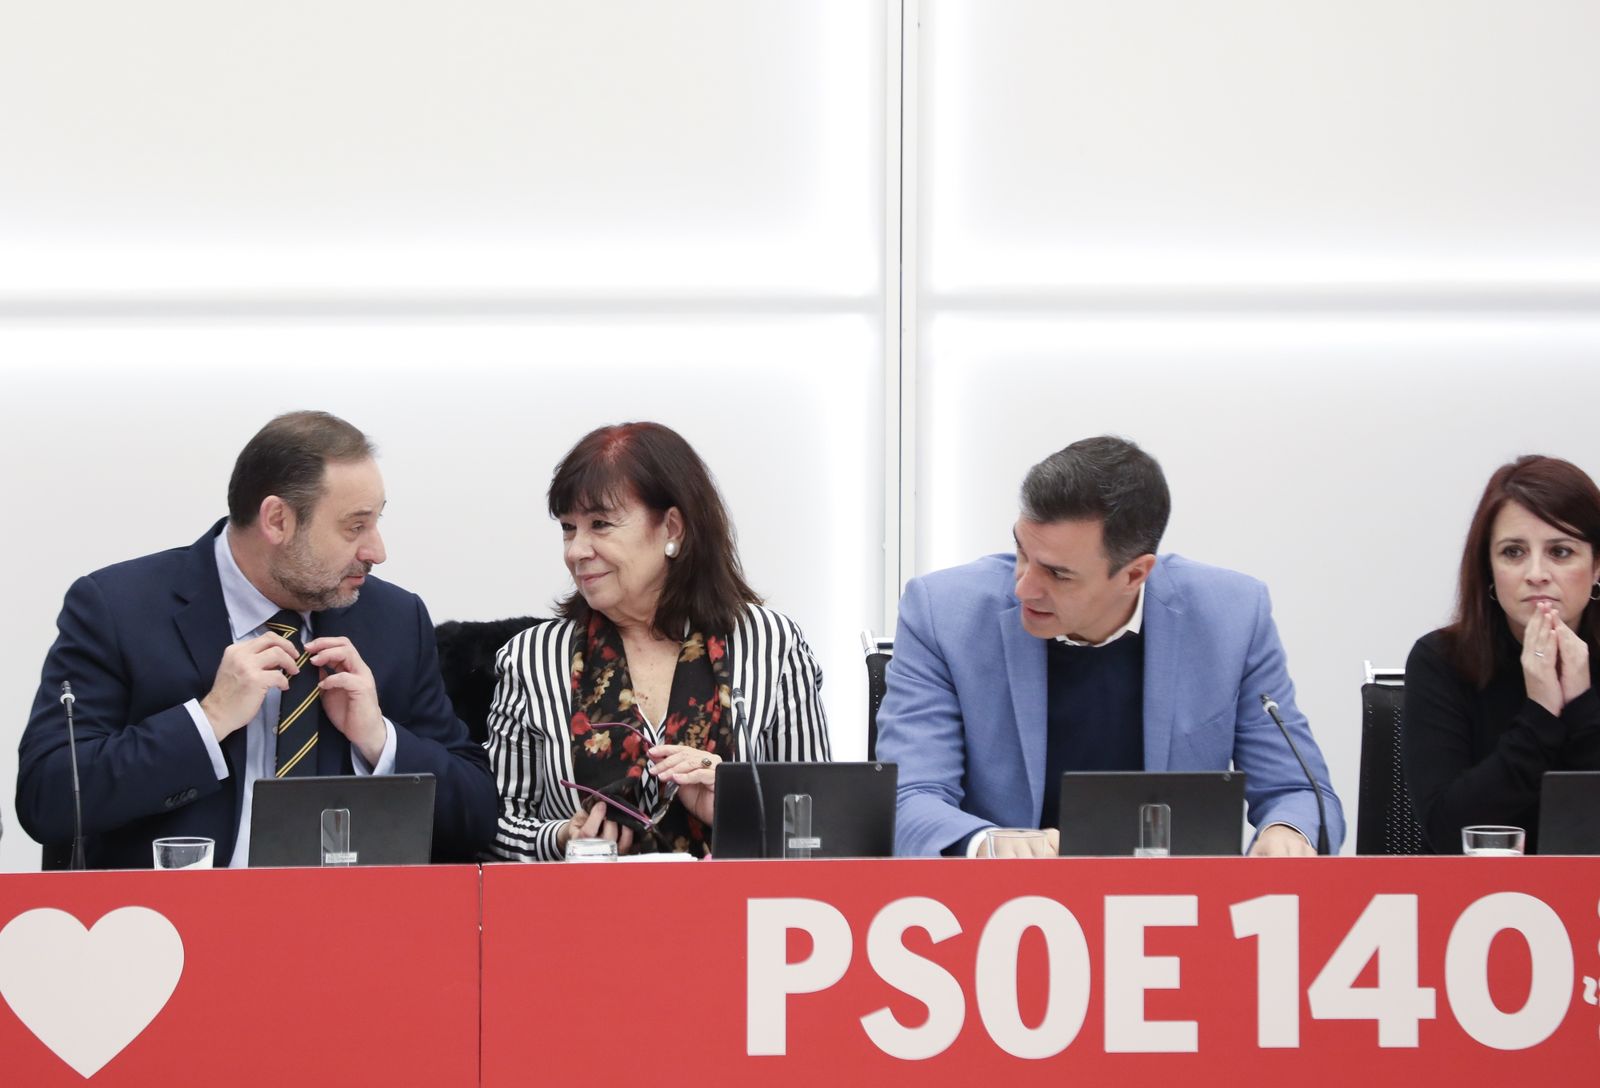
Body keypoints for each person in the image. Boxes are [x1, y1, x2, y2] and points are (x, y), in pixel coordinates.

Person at [16, 411, 497, 868]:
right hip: (169, 918)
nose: (377, 551)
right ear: (277, 521)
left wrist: (379, 738)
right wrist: (208, 720)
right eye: (355, 526)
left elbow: (477, 816)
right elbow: (47, 798)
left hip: (346, 917)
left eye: (376, 522)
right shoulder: (118, 609)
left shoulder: (393, 620)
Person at [876, 435, 1344, 857]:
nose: (1023, 587)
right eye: (1021, 552)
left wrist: (1289, 833)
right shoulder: (943, 614)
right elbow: (909, 798)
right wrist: (990, 844)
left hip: (1173, 903)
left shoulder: (1232, 617)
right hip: (999, 906)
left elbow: (1299, 791)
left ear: (1135, 573)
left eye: (1057, 574)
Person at [486, 422, 830, 860]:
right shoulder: (531, 658)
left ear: (672, 528)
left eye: (600, 524)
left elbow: (820, 821)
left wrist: (738, 802)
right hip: (582, 902)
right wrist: (560, 838)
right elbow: (492, 825)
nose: (575, 551)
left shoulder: (771, 644)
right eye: (569, 528)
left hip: (737, 902)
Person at [1403, 455, 1600, 853]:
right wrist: (1541, 714)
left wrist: (1582, 706)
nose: (1536, 573)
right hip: (1478, 892)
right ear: (1488, 569)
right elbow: (1447, 833)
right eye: (1513, 552)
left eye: (1561, 552)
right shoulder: (1440, 661)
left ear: (1597, 567)